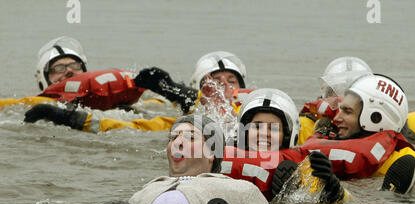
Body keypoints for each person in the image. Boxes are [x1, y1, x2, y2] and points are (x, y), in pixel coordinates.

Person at [100, 114, 272, 204]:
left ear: (212, 152)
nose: (178, 142)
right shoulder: (145, 191)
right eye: (173, 137)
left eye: (190, 137)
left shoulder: (240, 188)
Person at [24, 51, 248, 133]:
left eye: (232, 81)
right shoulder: (174, 121)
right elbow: (132, 126)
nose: (225, 87)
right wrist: (67, 117)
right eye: (59, 69)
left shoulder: (254, 111)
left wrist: (173, 91)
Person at [300, 73, 415, 190]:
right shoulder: (322, 157)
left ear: (375, 118)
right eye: (340, 109)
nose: (336, 118)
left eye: (347, 111)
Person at [220, 88, 350, 204]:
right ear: (245, 132)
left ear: (287, 136)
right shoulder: (222, 156)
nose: (264, 133)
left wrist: (332, 186)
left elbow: (346, 203)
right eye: (257, 126)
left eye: (274, 128)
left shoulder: (299, 167)